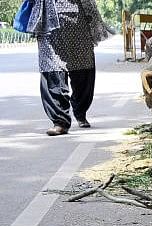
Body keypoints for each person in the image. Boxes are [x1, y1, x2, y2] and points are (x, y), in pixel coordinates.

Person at [30, 0, 111, 136]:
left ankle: (80, 111)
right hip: (49, 23)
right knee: (52, 70)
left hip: (80, 22)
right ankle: (60, 121)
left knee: (83, 71)